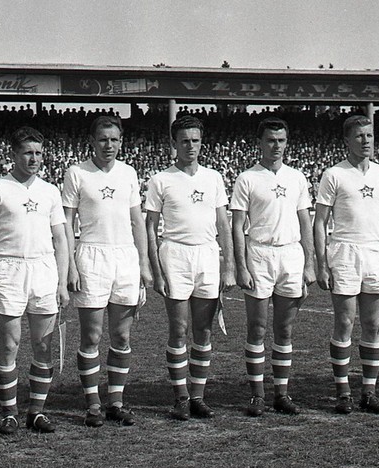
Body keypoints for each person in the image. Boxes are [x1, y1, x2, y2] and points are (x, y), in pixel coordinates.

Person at [0, 126, 69, 435]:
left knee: (43, 346)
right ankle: (9, 413)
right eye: (28, 152)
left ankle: (37, 412)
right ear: (13, 154)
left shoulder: (50, 191)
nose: (34, 159)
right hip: (9, 269)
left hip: (43, 270)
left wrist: (62, 282)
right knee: (10, 345)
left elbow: (61, 238)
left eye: (39, 153)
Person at [62, 114, 153, 427]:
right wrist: (70, 265)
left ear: (121, 141)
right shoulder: (76, 173)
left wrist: (143, 263)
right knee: (92, 335)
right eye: (103, 139)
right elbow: (65, 225)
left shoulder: (128, 172)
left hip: (125, 257)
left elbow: (138, 222)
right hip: (91, 256)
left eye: (114, 140)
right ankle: (93, 405)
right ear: (92, 141)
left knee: (121, 334)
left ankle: (116, 401)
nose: (109, 145)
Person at [146, 114, 236, 420]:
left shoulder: (214, 178)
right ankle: (180, 396)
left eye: (195, 140)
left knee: (204, 330)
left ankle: (198, 395)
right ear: (174, 143)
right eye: (184, 140)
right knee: (179, 328)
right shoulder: (161, 180)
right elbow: (150, 227)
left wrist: (230, 266)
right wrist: (156, 270)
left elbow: (224, 223)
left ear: (202, 142)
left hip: (208, 255)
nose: (190, 146)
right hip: (175, 255)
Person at [231, 117, 316, 416]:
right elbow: (238, 225)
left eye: (281, 140)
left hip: (290, 255)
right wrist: (240, 266)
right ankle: (257, 395)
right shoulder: (247, 179)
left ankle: (282, 393)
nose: (276, 146)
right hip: (260, 255)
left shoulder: (297, 177)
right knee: (257, 327)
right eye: (270, 140)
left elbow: (305, 220)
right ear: (259, 143)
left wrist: (310, 262)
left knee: (284, 328)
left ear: (286, 143)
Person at [314, 114, 379, 414]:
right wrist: (321, 264)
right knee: (345, 323)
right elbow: (320, 221)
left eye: (370, 136)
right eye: (359, 136)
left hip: (375, 254)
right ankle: (343, 392)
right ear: (347, 140)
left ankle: (369, 392)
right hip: (345, 252)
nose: (366, 141)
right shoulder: (333, 174)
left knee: (373, 324)